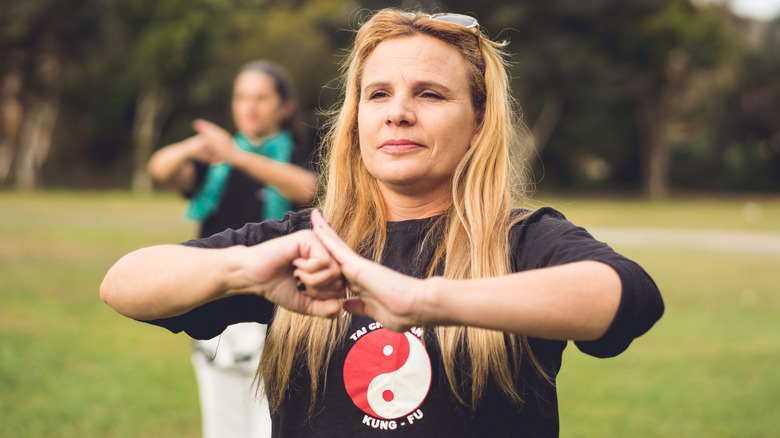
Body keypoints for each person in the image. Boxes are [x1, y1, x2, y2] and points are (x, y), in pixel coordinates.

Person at [102, 9, 664, 438]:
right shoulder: (307, 241)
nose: (398, 111)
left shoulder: (522, 239)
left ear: (477, 123)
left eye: (430, 93)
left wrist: (429, 301)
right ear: (356, 122)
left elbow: (628, 298)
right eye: (378, 94)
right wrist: (244, 269)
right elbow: (124, 283)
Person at [146, 60, 317, 438]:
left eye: (260, 97)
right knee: (221, 425)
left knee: (268, 423)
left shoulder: (296, 155)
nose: (249, 107)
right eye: (242, 97)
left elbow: (309, 189)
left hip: (277, 309)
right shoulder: (214, 165)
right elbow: (160, 168)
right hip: (214, 302)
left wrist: (236, 154)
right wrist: (196, 145)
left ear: (285, 107)